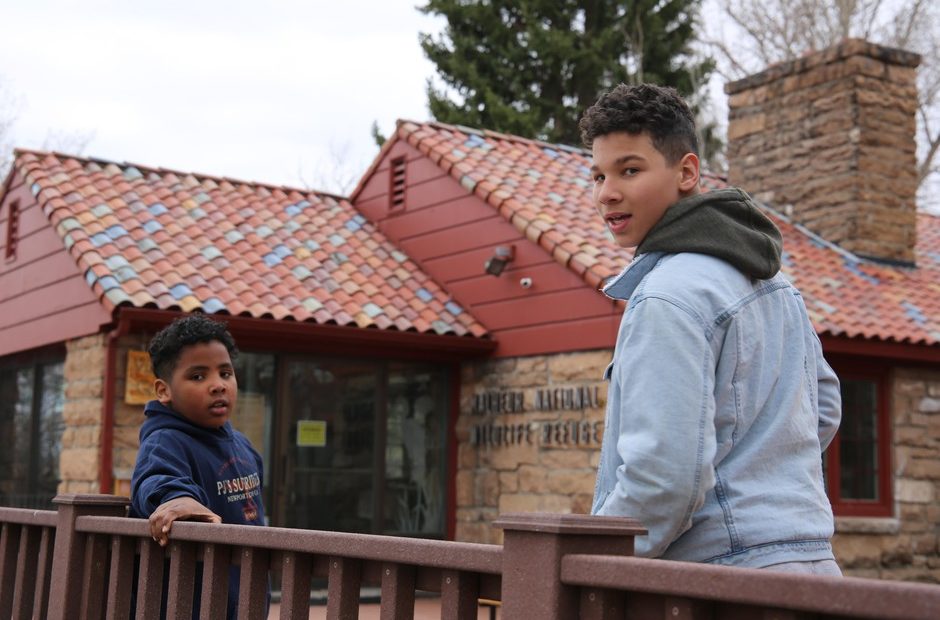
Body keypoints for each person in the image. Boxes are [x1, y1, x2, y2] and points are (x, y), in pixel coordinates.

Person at [581, 83, 842, 574]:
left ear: (686, 172)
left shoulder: (667, 296)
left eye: (629, 170)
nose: (606, 192)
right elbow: (822, 408)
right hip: (813, 570)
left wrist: (587, 563)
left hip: (722, 580)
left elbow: (664, 478)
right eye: (597, 175)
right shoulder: (776, 283)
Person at [130, 314, 267, 617]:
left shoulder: (245, 447)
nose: (218, 385)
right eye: (198, 376)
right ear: (164, 390)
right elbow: (157, 477)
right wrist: (177, 500)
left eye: (226, 373)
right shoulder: (165, 441)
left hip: (242, 599)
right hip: (188, 605)